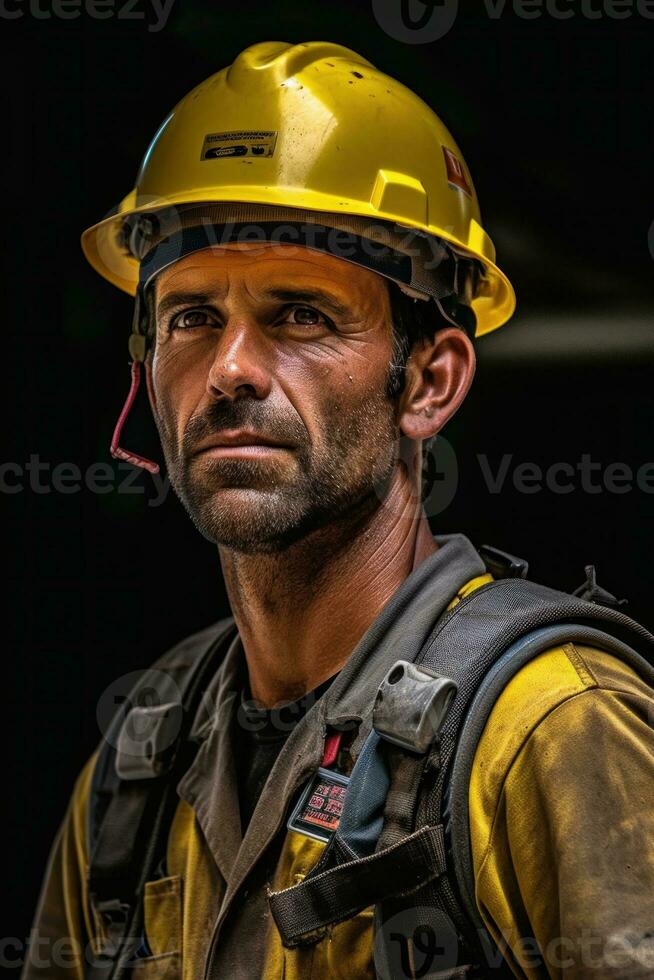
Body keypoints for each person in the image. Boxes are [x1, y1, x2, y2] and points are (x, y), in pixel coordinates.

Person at [22, 40, 654, 980]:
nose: (230, 368)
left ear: (430, 382)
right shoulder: (140, 764)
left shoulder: (551, 729)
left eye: (301, 316)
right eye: (191, 317)